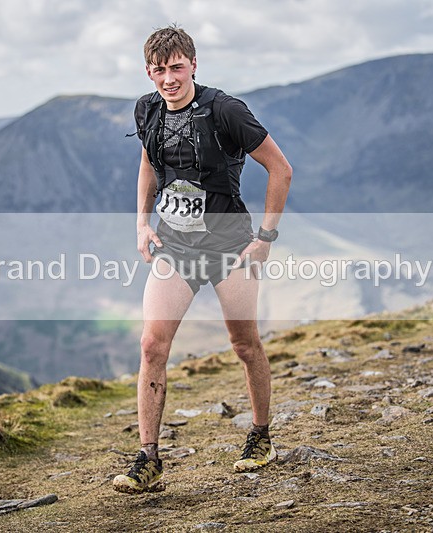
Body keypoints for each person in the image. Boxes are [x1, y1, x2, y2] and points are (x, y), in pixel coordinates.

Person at [112, 24, 292, 494]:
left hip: (230, 245)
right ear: (147, 71)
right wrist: (142, 223)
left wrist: (266, 237)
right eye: (158, 70)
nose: (168, 79)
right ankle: (148, 460)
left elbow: (280, 167)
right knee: (152, 345)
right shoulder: (147, 108)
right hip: (175, 245)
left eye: (176, 68)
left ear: (193, 64)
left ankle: (260, 436)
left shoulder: (225, 110)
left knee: (244, 344)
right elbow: (149, 162)